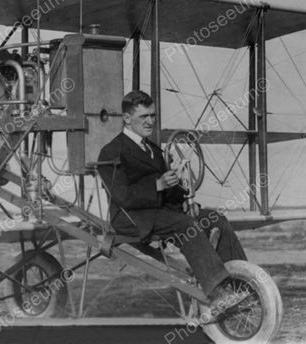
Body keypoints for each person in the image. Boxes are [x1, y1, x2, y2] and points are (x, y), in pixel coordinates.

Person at [97, 90, 248, 320]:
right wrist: (157, 185)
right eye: (143, 117)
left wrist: (187, 203)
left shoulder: (153, 150)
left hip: (160, 213)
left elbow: (169, 190)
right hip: (131, 219)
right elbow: (123, 197)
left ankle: (240, 282)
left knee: (215, 218)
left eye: (153, 115)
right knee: (184, 224)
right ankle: (217, 294)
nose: (150, 121)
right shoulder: (111, 151)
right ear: (127, 119)